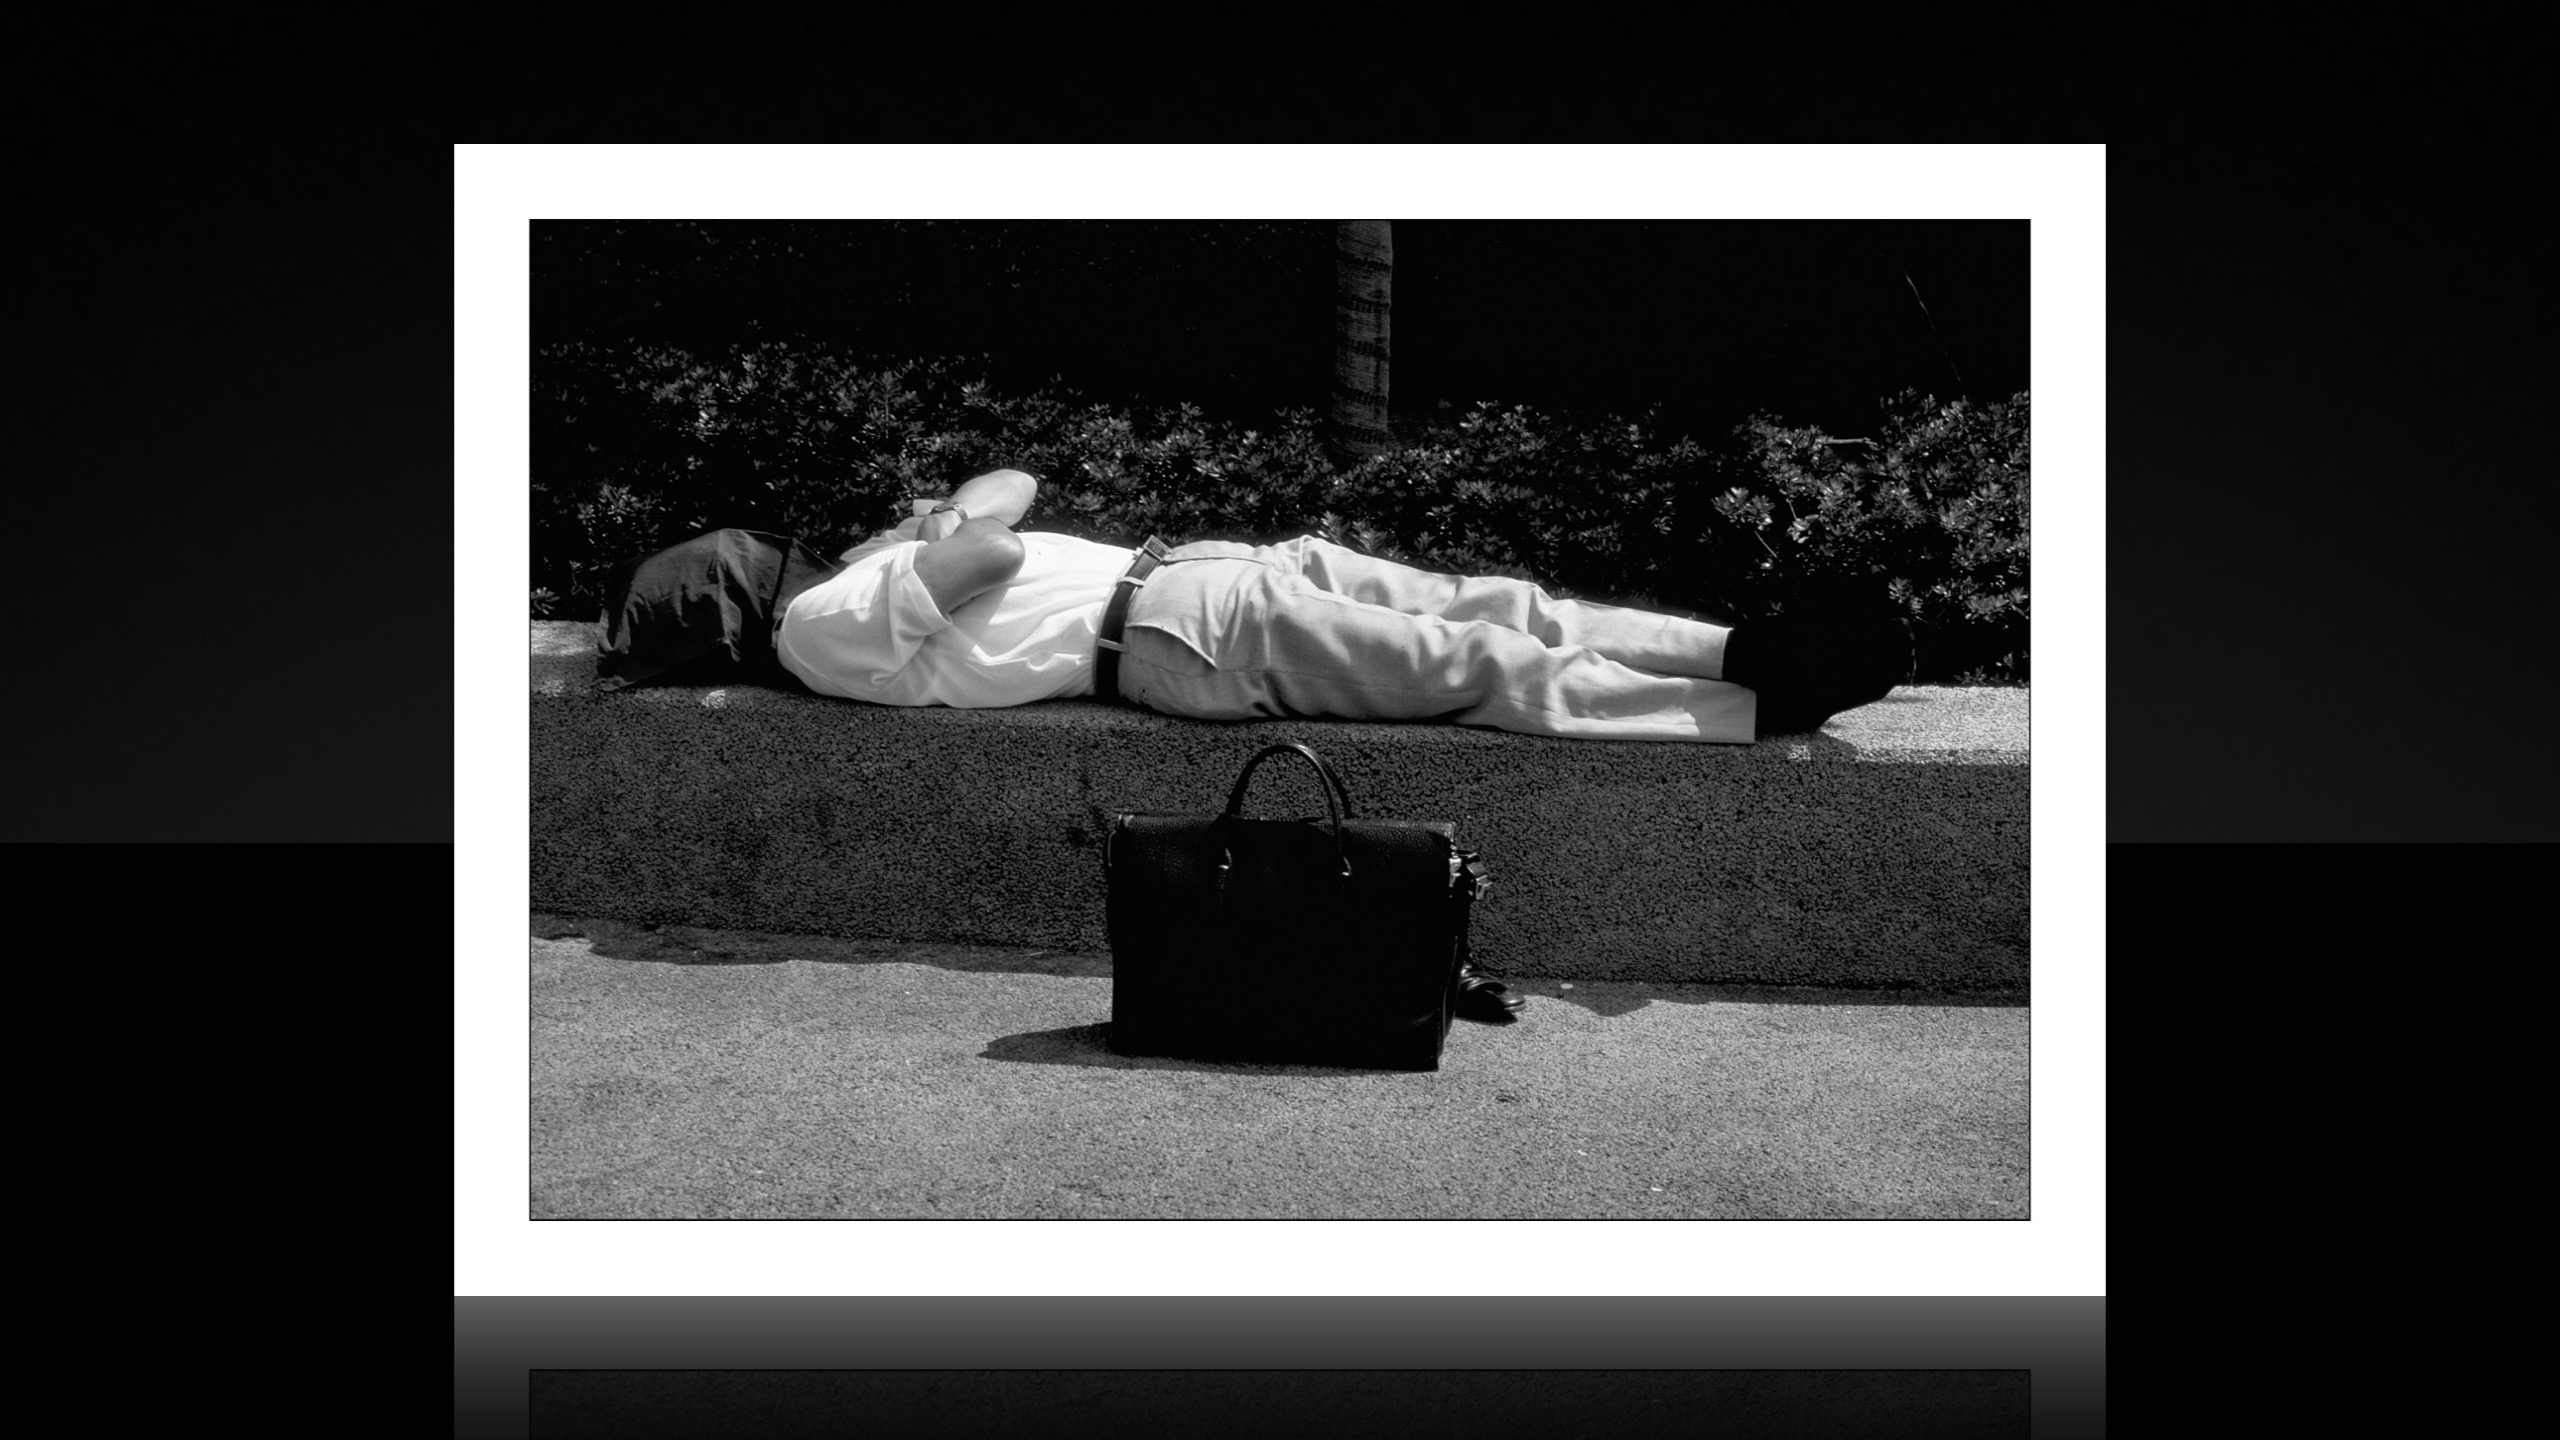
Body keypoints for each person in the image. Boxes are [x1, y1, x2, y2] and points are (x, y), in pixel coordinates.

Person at [774, 467, 1913, 745]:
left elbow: (1010, 484)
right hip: (1169, 637)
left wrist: (929, 523)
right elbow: (994, 548)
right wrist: (933, 533)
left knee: (1507, 604)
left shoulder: (870, 577)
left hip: (1200, 573)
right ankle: (1748, 711)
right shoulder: (813, 630)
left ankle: (1748, 650)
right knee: (1470, 662)